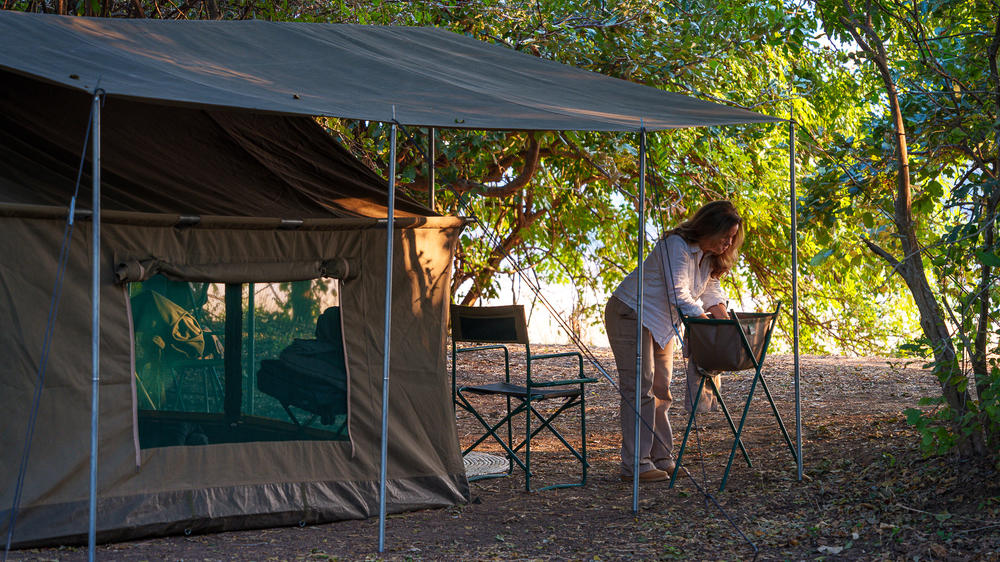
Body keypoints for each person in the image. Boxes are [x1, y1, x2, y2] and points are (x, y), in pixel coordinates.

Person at [604, 200, 744, 482]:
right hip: (632, 312)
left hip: (662, 324)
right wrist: (706, 327)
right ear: (709, 228)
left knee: (661, 389)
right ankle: (636, 464)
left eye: (732, 239)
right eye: (725, 237)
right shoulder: (677, 246)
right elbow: (679, 295)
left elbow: (711, 293)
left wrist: (727, 325)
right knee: (639, 388)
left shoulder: (707, 256)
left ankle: (661, 457)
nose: (728, 244)